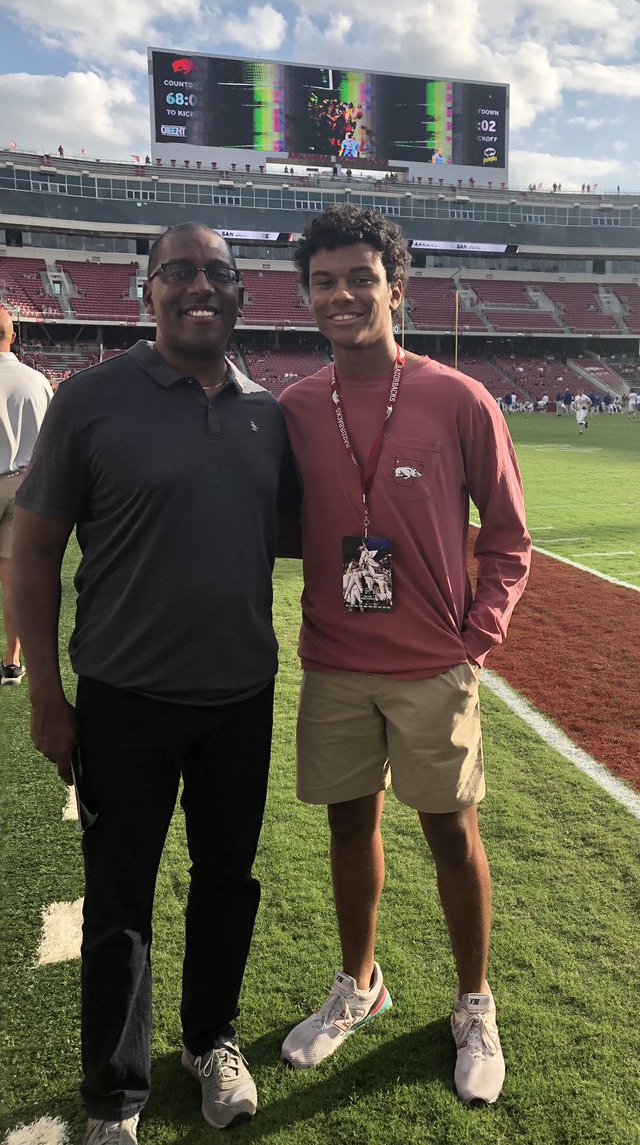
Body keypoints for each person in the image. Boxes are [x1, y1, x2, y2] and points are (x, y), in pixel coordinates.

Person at [12, 223, 299, 1142]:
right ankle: (114, 1095)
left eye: (218, 273)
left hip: (240, 696)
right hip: (124, 700)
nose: (199, 287)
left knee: (227, 880)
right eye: (179, 272)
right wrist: (46, 695)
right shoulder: (90, 400)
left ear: (242, 295)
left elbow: (296, 533)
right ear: (150, 290)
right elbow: (35, 550)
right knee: (121, 899)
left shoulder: (267, 412)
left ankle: (209, 1039)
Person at [277, 205, 530, 1106]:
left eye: (359, 278)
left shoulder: (458, 398)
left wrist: (477, 637)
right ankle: (361, 983)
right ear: (307, 296)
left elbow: (508, 537)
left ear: (396, 286)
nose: (342, 295)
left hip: (432, 664)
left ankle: (473, 1001)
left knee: (450, 833)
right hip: (336, 660)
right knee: (350, 826)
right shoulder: (297, 408)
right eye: (323, 281)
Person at [0, 306, 53, 685]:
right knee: (13, 578)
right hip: (23, 483)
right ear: (12, 336)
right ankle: (12, 660)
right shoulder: (38, 381)